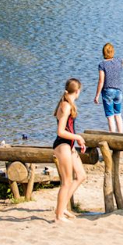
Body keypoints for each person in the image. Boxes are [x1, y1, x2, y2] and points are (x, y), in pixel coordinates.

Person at [52, 78, 87, 224]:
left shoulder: (69, 104)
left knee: (81, 175)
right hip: (62, 145)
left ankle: (63, 207)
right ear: (77, 91)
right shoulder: (65, 106)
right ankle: (59, 216)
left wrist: (75, 143)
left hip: (69, 145)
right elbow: (60, 131)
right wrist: (78, 137)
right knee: (67, 181)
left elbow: (69, 128)